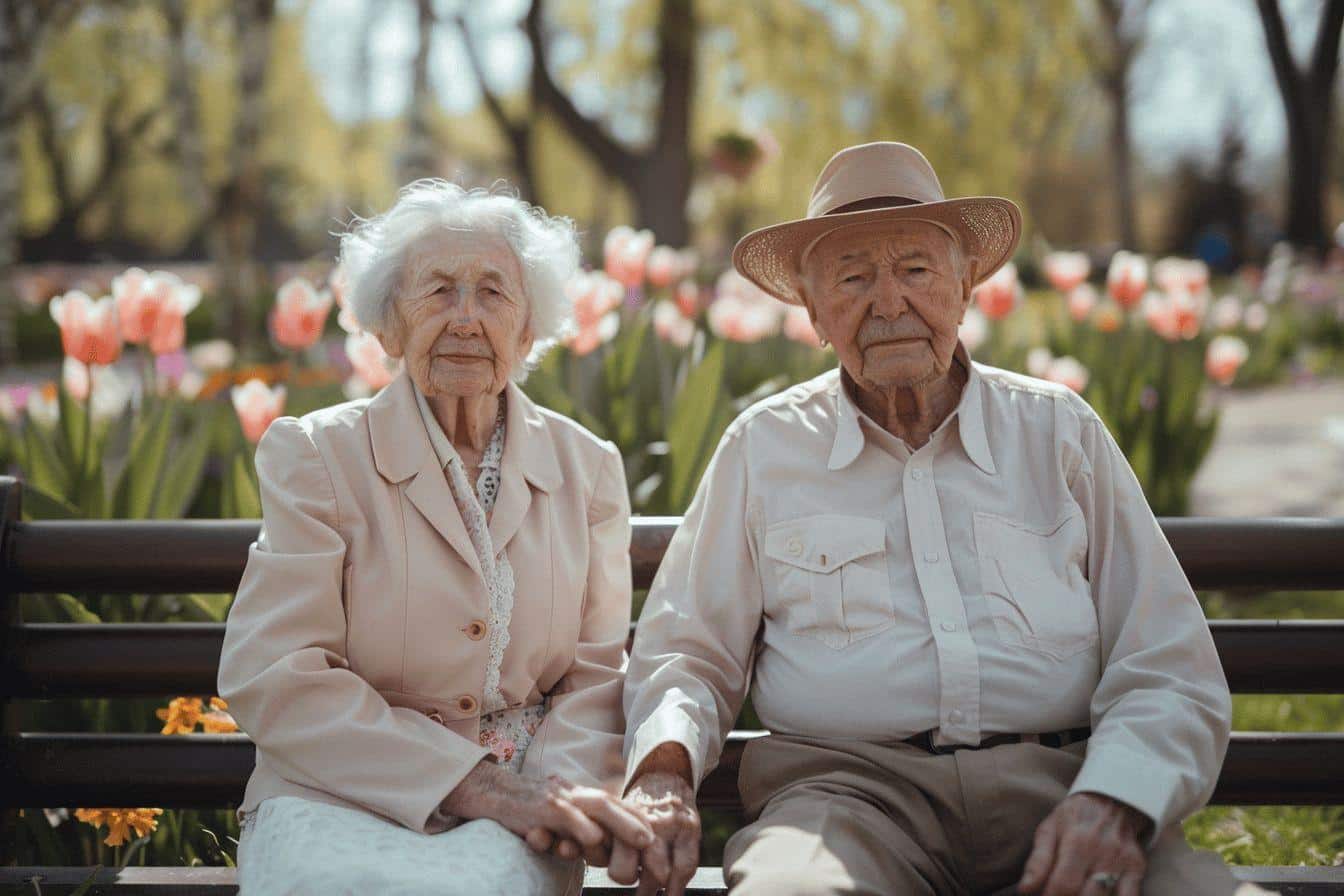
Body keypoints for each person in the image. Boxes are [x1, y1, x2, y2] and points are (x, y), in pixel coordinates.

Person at [617, 143, 1266, 896]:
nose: (890, 303)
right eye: (853, 278)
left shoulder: (1058, 432)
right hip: (846, 802)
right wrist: (664, 770)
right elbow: (686, 652)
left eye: (917, 270)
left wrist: (1113, 801)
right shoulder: (764, 449)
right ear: (814, 313)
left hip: (1064, 787)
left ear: (965, 288)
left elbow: (1166, 662)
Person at [219, 181, 653, 896]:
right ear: (388, 325)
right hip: (339, 792)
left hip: (526, 804)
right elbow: (275, 672)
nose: (465, 318)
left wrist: (557, 798)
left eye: (493, 293)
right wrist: (473, 785)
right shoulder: (317, 456)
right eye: (439, 291)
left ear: (529, 329)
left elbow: (596, 676)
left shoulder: (588, 469)